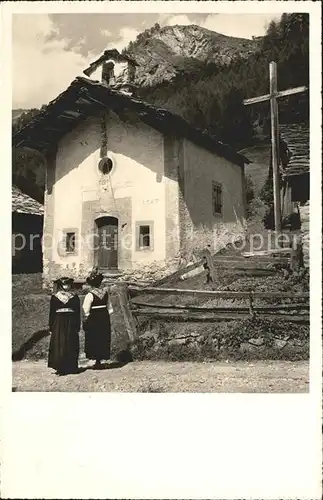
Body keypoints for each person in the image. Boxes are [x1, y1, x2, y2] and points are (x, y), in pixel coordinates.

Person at [48, 277, 81, 375]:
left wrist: (78, 325)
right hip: (58, 322)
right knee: (59, 343)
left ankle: (70, 366)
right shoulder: (55, 297)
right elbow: (52, 313)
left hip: (71, 322)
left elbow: (77, 313)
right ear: (61, 286)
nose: (66, 286)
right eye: (64, 285)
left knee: (71, 342)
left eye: (68, 284)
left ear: (71, 285)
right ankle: (60, 367)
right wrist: (51, 325)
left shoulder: (75, 297)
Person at [83, 272, 112, 369]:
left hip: (94, 317)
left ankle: (96, 359)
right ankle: (100, 359)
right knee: (103, 336)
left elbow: (85, 309)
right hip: (104, 317)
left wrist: (87, 316)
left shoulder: (90, 295)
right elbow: (110, 308)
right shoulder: (106, 293)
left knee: (94, 337)